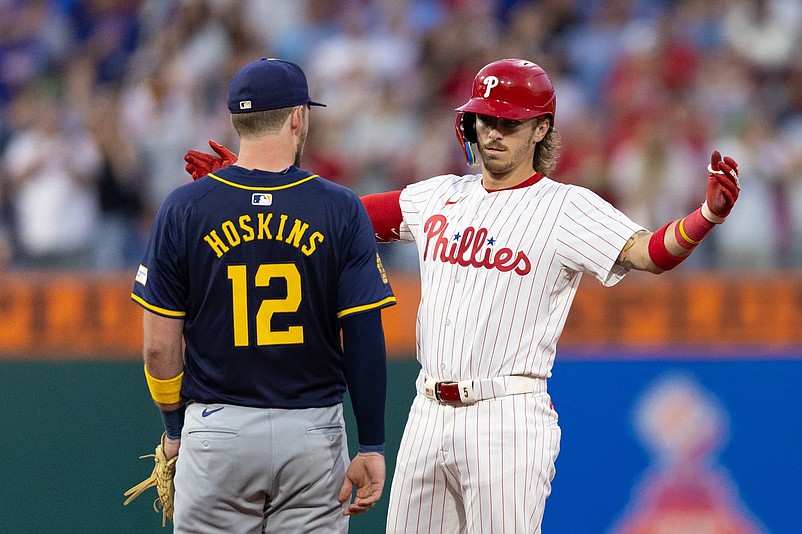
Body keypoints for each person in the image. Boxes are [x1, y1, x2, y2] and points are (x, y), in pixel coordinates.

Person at [184, 58, 740, 533]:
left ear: (541, 130)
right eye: (482, 119)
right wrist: (250, 179)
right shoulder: (438, 196)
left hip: (508, 412)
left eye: (508, 122)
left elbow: (650, 252)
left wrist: (706, 215)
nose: (491, 132)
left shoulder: (567, 206)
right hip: (428, 411)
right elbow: (338, 216)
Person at [133, 57, 396, 533]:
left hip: (217, 429)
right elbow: (363, 337)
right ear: (298, 116)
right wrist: (372, 444)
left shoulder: (184, 206)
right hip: (312, 433)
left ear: (237, 120)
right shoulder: (339, 207)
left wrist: (175, 431)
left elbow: (157, 347)